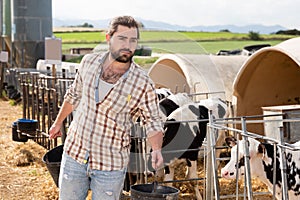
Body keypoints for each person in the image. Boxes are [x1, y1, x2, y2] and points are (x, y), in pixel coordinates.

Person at [49, 15, 164, 200]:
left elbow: (153, 121)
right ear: (108, 38)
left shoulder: (142, 82)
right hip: (75, 153)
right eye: (122, 38)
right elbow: (73, 95)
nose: (128, 45)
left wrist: (157, 149)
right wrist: (57, 123)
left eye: (133, 40)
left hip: (110, 164)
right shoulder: (88, 63)